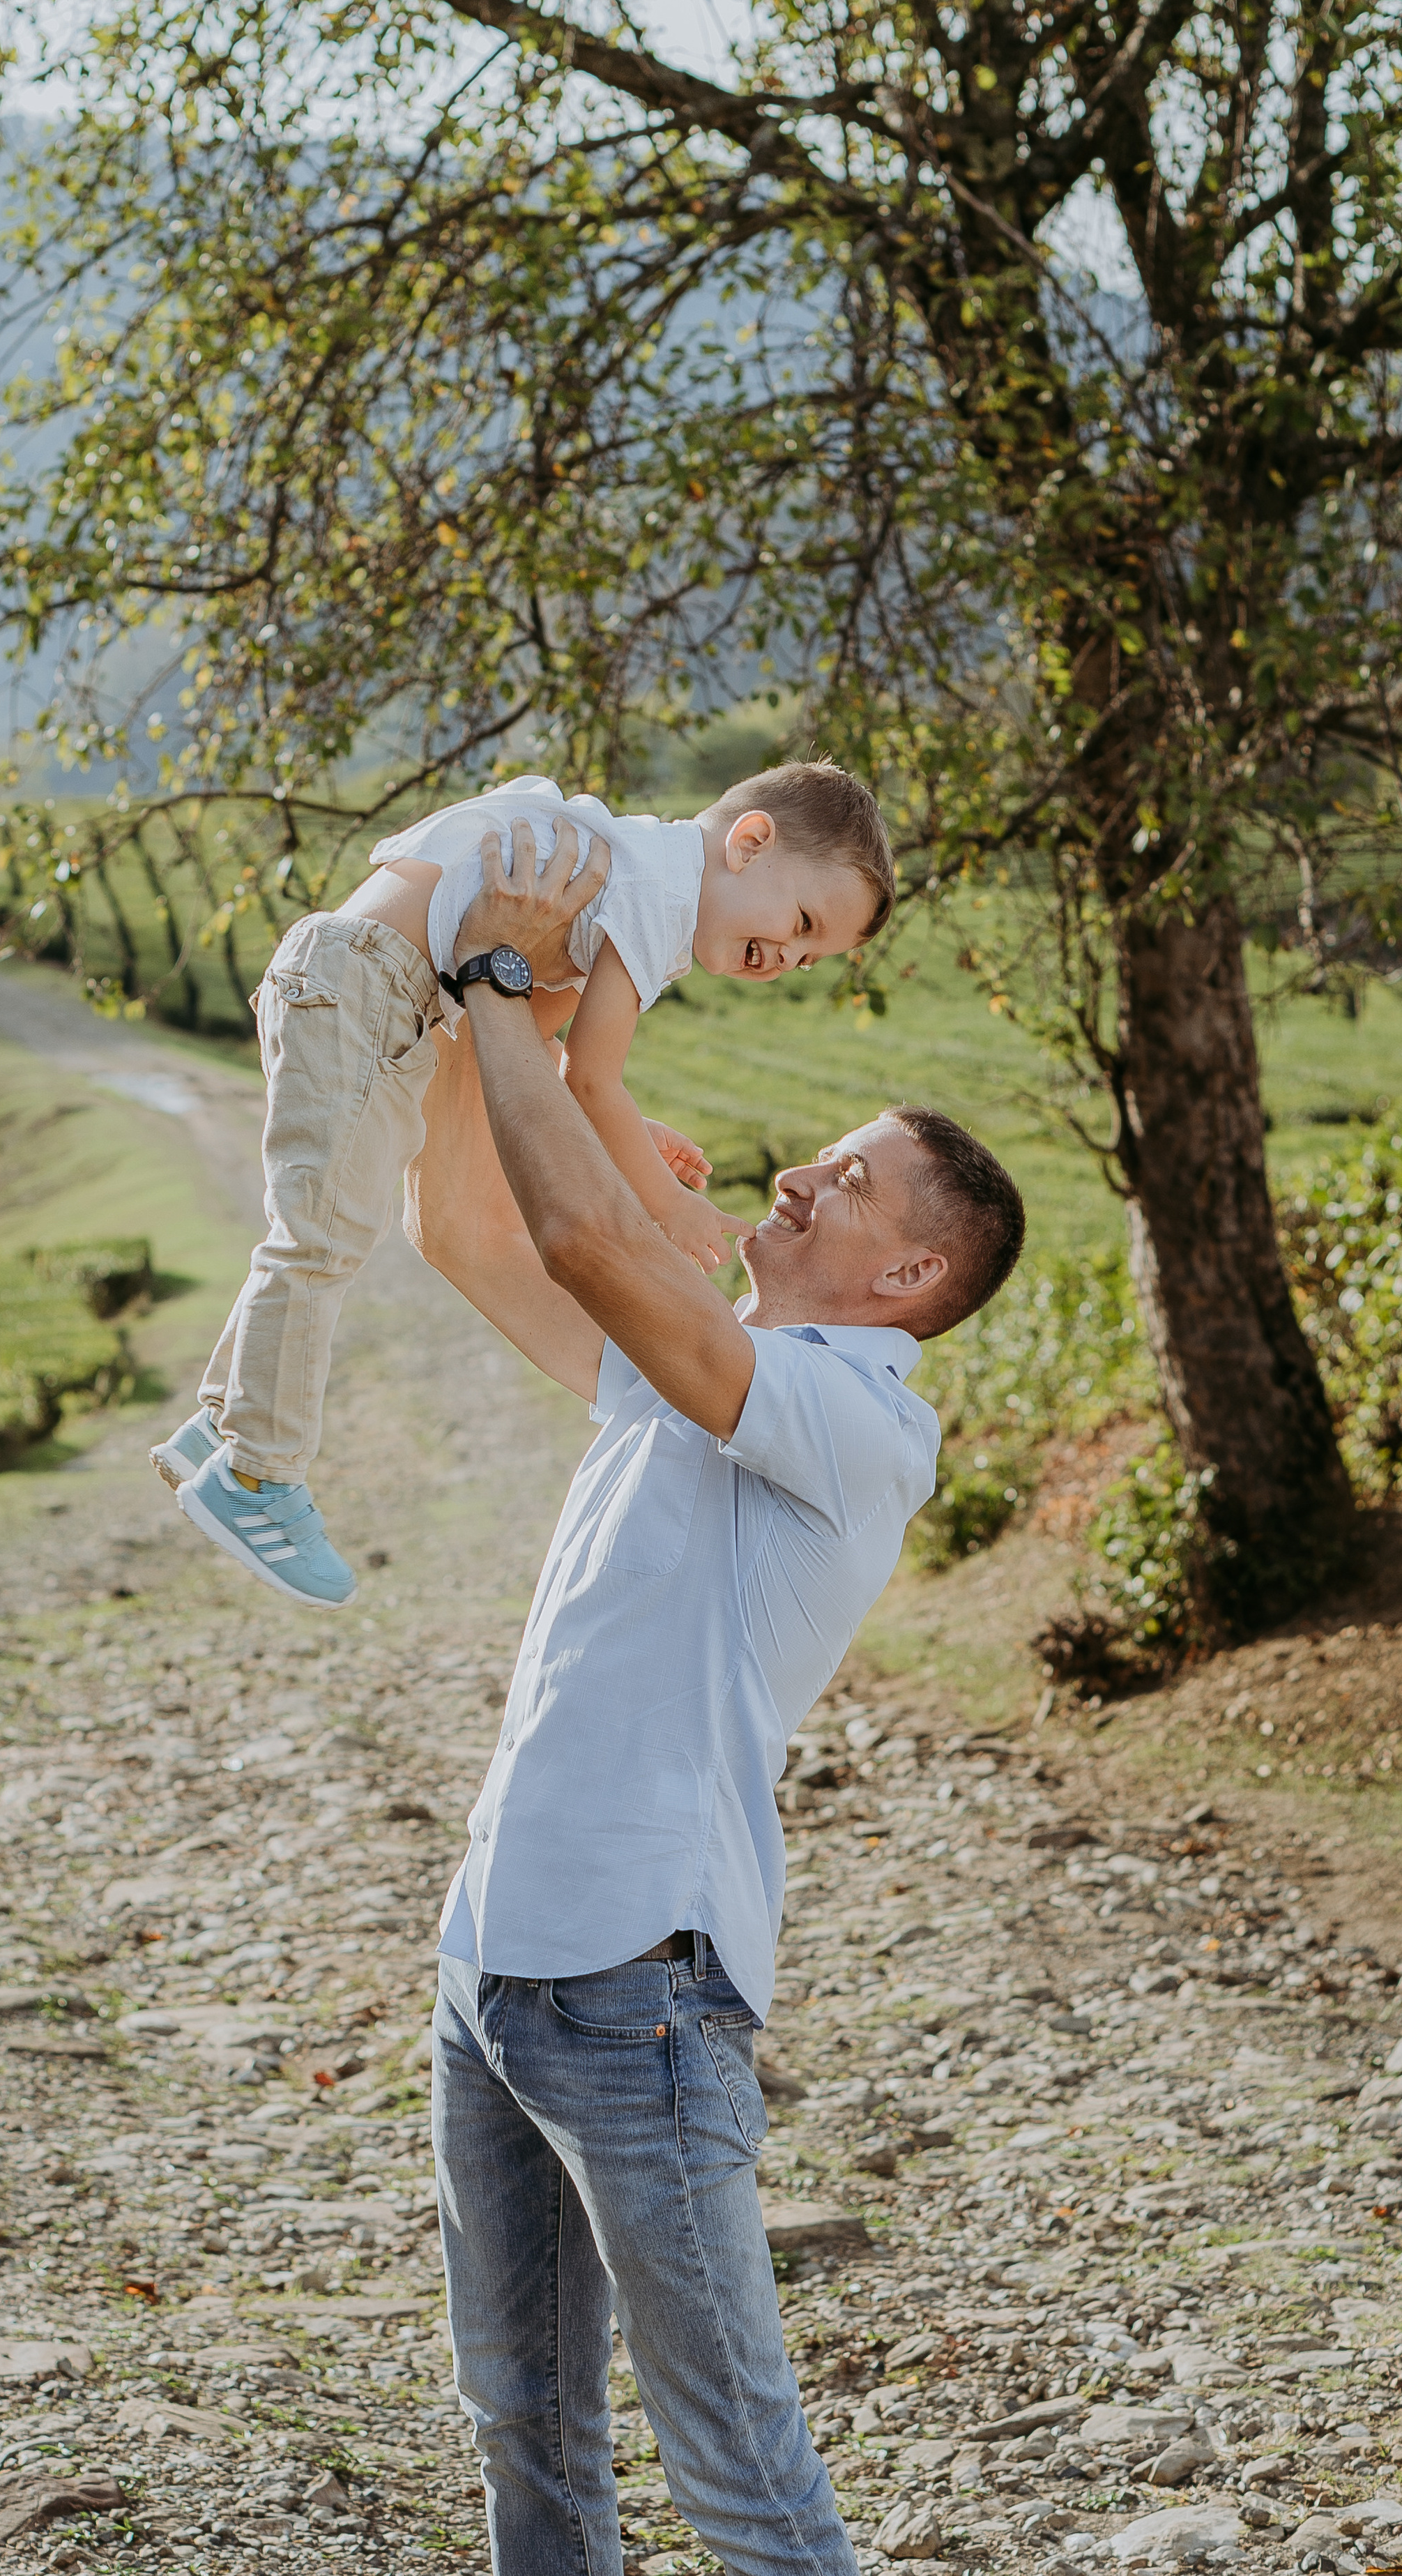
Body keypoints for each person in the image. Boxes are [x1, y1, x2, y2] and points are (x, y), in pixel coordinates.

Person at [402, 820, 1026, 2576]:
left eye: (844, 1181)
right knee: (524, 2435)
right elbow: (460, 1226)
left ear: (905, 1278)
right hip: (494, 1961)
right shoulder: (690, 1357)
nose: (797, 1179)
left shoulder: (854, 1418)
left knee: (742, 2481)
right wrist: (465, 1011)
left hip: (634, 1992)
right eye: (819, 1156)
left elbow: (594, 1246)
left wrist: (503, 996)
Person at [151, 762, 896, 1609]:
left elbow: (555, 1061)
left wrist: (627, 1134)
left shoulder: (639, 866)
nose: (787, 955)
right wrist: (667, 1203)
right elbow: (591, 1081)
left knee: (321, 1227)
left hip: (366, 985)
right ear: (750, 842)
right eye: (801, 922)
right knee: (320, 1235)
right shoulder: (659, 898)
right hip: (368, 985)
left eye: (807, 958)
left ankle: (224, 1423)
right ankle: (256, 1476)